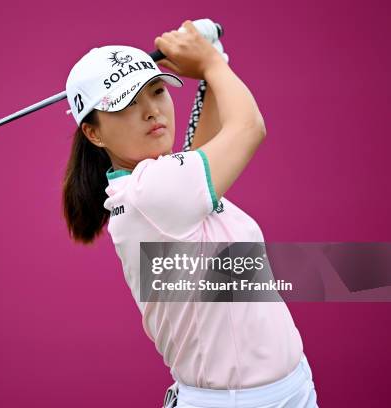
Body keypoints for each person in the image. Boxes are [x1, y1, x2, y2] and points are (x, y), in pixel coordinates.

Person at [62, 20, 319, 408]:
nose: (152, 112)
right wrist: (212, 64)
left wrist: (213, 60)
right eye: (127, 104)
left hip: (292, 388)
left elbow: (206, 142)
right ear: (94, 134)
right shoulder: (147, 193)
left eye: (158, 91)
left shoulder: (166, 182)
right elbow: (249, 127)